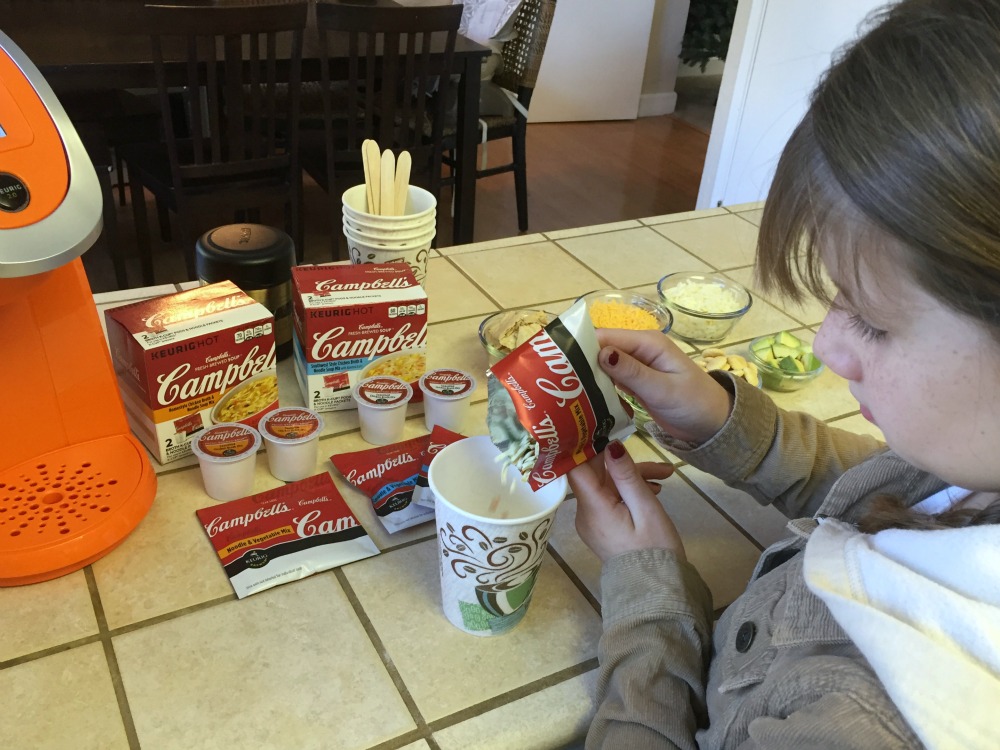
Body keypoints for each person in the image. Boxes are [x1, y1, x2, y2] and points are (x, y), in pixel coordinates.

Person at [567, 1, 1000, 748]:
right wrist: (722, 421)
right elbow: (892, 484)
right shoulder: (973, 472)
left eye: (873, 320)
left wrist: (648, 600)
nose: (827, 345)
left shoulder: (869, 721)